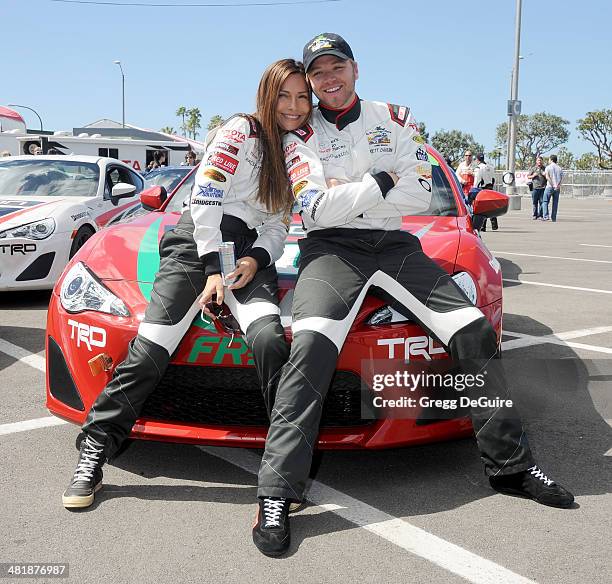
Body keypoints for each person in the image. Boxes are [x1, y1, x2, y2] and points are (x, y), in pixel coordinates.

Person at [252, 33, 574, 557]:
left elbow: (420, 191)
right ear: (309, 81)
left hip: (397, 243)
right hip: (331, 250)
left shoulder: (395, 117)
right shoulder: (298, 134)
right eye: (318, 73)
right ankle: (276, 493)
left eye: (337, 67)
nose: (328, 78)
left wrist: (352, 194)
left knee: (472, 331)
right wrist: (381, 181)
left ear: (355, 70)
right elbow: (313, 212)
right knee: (308, 346)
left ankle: (510, 466)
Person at [62, 58, 312, 509]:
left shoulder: (295, 152)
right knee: (151, 348)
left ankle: (286, 461)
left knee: (271, 342)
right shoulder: (239, 130)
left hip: (247, 255)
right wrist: (214, 269)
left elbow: (277, 226)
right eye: (284, 95)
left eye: (301, 97)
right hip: (197, 242)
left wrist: (255, 261)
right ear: (267, 95)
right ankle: (95, 449)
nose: (293, 106)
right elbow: (206, 201)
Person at [471, 152, 498, 231]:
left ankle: (483, 226)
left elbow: (477, 180)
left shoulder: (478, 168)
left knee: (483, 208)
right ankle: (494, 224)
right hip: (490, 188)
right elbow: (493, 179)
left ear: (477, 160)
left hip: (482, 189)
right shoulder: (490, 167)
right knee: (491, 206)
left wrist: (474, 190)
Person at [542, 154, 563, 221]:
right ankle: (554, 217)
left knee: (545, 201)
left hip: (550, 187)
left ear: (551, 160)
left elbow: (547, 177)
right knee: (555, 203)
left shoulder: (548, 167)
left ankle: (546, 216)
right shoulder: (559, 168)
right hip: (557, 188)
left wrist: (552, 184)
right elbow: (561, 178)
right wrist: (558, 185)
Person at [527, 156, 547, 220]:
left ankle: (540, 215)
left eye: (540, 160)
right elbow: (528, 176)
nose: (539, 161)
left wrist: (545, 175)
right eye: (538, 160)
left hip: (542, 188)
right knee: (534, 202)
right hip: (535, 188)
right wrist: (533, 175)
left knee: (542, 202)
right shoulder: (533, 168)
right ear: (536, 161)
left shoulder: (545, 168)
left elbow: (548, 177)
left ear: (542, 161)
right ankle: (534, 215)